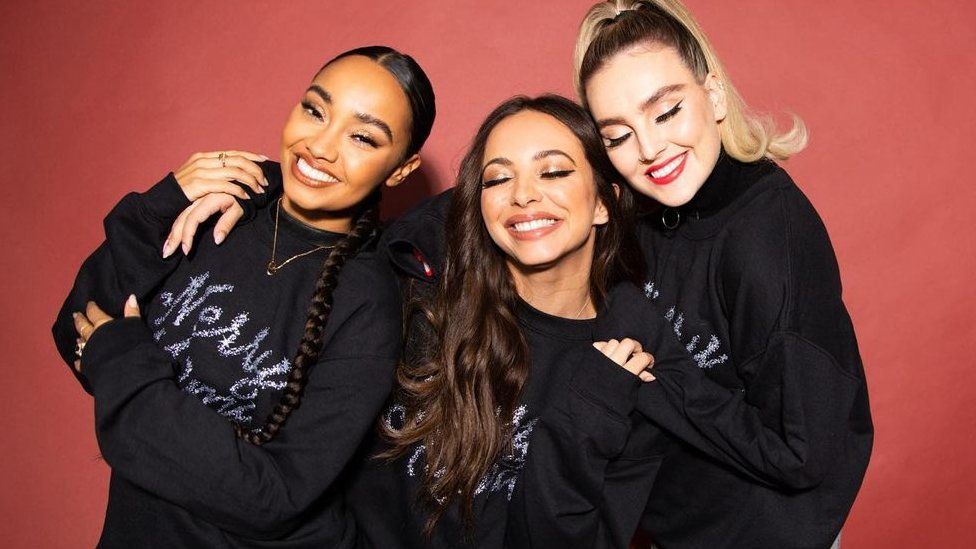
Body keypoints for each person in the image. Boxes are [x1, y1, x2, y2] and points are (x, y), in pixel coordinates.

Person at [51, 46, 435, 548]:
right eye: (315, 110)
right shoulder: (215, 210)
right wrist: (162, 204)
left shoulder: (370, 304)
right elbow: (74, 333)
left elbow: (274, 498)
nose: (320, 146)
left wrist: (125, 363)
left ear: (401, 169)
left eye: (362, 137)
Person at [574, 1, 873, 547]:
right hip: (681, 528)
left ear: (712, 95)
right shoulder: (641, 216)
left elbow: (802, 452)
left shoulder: (767, 236)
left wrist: (653, 376)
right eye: (618, 136)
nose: (650, 150)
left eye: (666, 112)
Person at [347, 94, 692, 548]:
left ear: (603, 203)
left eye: (553, 172)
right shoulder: (421, 293)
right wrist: (268, 193)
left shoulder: (631, 370)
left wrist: (589, 413)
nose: (523, 194)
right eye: (498, 178)